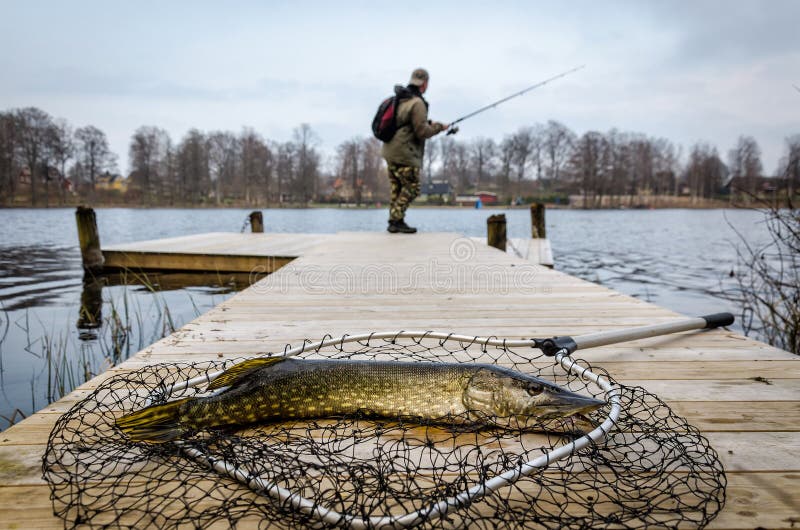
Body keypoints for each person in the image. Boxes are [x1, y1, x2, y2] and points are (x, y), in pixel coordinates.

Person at [381, 68, 448, 233]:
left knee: (397, 188)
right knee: (412, 188)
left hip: (390, 151)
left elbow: (408, 123)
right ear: (424, 84)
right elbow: (422, 132)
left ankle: (396, 223)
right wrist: (439, 127)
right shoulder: (417, 103)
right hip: (405, 153)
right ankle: (395, 218)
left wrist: (430, 123)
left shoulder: (400, 98)